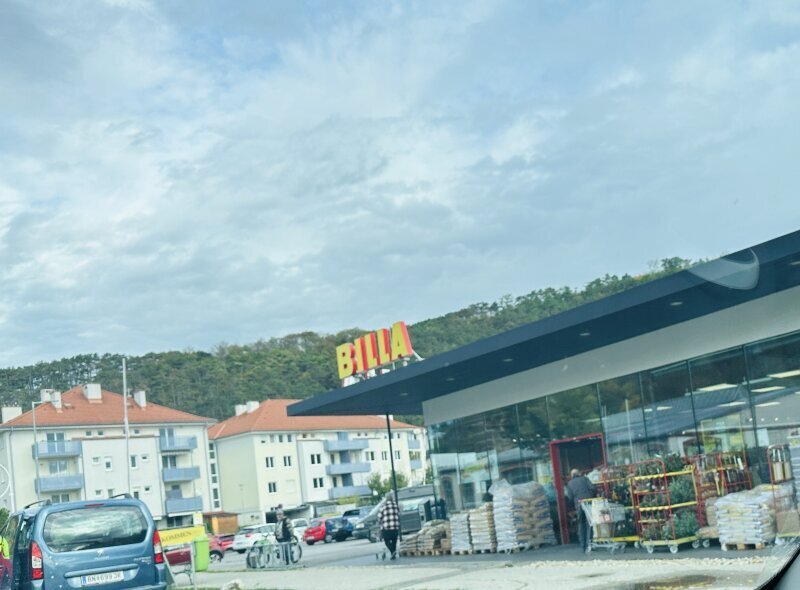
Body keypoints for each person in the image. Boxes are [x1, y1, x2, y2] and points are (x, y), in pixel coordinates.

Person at [565, 468, 597, 553]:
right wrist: (590, 496)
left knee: (581, 524)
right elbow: (593, 488)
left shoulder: (570, 483)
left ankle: (583, 545)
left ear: (572, 475)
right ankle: (589, 544)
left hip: (578, 504)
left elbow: (570, 497)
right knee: (589, 523)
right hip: (588, 503)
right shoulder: (585, 479)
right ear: (579, 473)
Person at [377, 490, 400, 559]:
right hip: (395, 527)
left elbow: (379, 517)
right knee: (394, 541)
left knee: (387, 541)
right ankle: (393, 554)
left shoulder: (383, 506)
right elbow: (398, 514)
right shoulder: (396, 506)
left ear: (386, 499)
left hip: (386, 528)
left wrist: (380, 522)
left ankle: (393, 552)